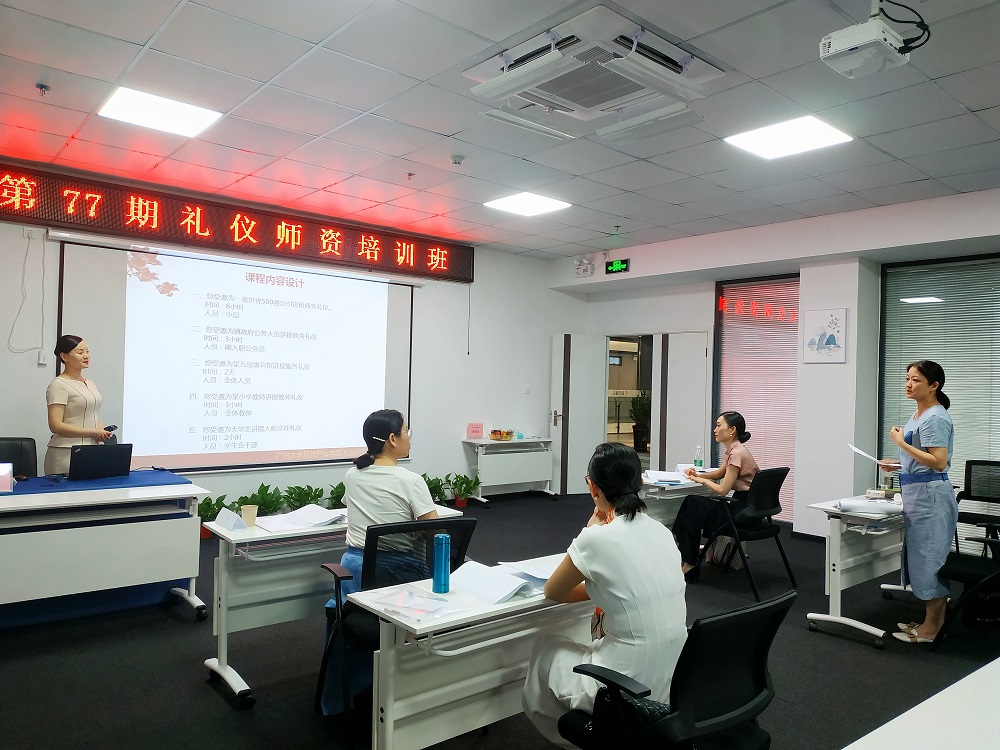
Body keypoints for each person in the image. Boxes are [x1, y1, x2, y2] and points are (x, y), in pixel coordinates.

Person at [522, 443, 687, 748]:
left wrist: (590, 529)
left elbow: (553, 591)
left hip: (624, 687)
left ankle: (580, 734)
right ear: (639, 483)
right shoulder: (664, 533)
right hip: (674, 681)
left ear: (593, 487)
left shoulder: (596, 537)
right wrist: (607, 588)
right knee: (593, 641)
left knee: (547, 645)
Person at [881, 360, 955, 645]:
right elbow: (920, 458)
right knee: (923, 559)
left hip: (930, 498)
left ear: (933, 386)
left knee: (930, 559)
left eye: (916, 380)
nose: (908, 385)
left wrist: (900, 444)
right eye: (907, 378)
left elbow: (938, 462)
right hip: (918, 494)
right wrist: (898, 463)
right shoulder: (918, 414)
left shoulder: (935, 417)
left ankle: (932, 629)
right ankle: (932, 622)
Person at [338, 409, 439, 601]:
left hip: (354, 569)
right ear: (393, 439)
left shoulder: (352, 475)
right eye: (406, 431)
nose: (409, 437)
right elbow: (436, 531)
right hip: (396, 573)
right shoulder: (411, 481)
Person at [671, 411, 759, 579]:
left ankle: (689, 562)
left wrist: (702, 480)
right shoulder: (736, 449)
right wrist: (697, 475)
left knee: (692, 505)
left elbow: (722, 490)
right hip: (749, 509)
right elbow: (720, 473)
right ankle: (688, 558)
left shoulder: (736, 453)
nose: (715, 430)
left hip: (741, 513)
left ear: (732, 429)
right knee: (693, 507)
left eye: (719, 425)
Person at [43, 335, 113, 475]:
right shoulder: (58, 385)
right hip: (66, 453)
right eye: (80, 352)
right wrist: (93, 432)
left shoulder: (89, 383)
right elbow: (55, 425)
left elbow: (91, 412)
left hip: (91, 450)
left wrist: (100, 429)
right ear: (64, 356)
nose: (86, 356)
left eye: (87, 351)